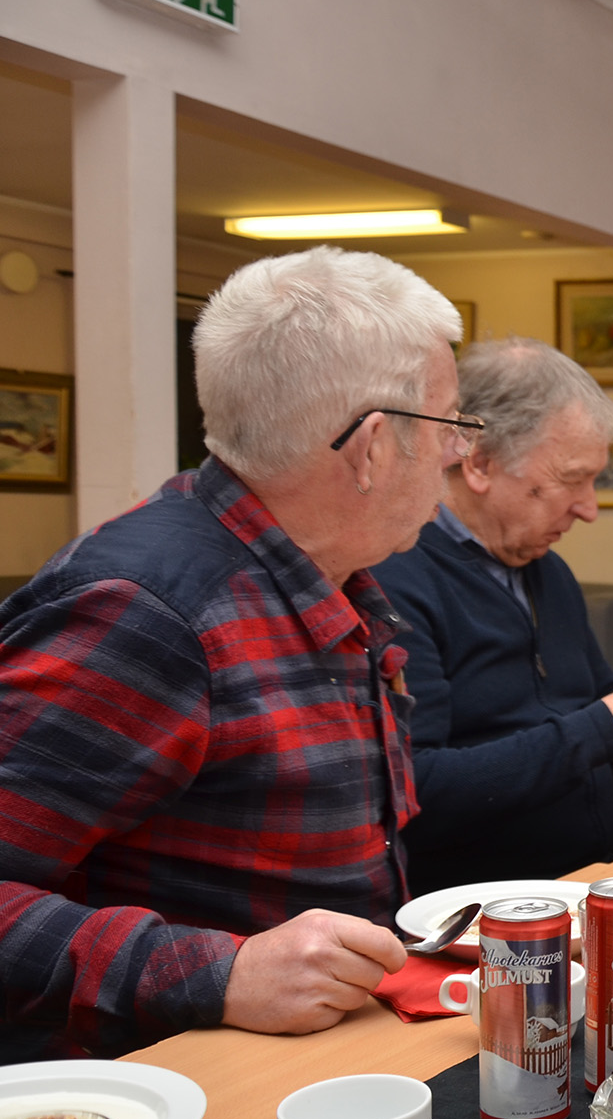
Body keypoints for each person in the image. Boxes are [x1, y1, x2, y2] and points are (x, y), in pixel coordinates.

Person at [0, 246, 467, 1060]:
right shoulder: (152, 611)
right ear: (374, 448)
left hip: (329, 1062)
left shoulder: (328, 576)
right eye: (453, 424)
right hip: (186, 1093)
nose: (461, 455)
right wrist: (220, 970)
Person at [372, 338, 613, 896]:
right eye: (572, 479)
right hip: (486, 920)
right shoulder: (397, 580)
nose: (589, 508)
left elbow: (590, 716)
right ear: (479, 462)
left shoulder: (549, 571)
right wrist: (605, 728)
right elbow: (417, 790)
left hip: (593, 883)